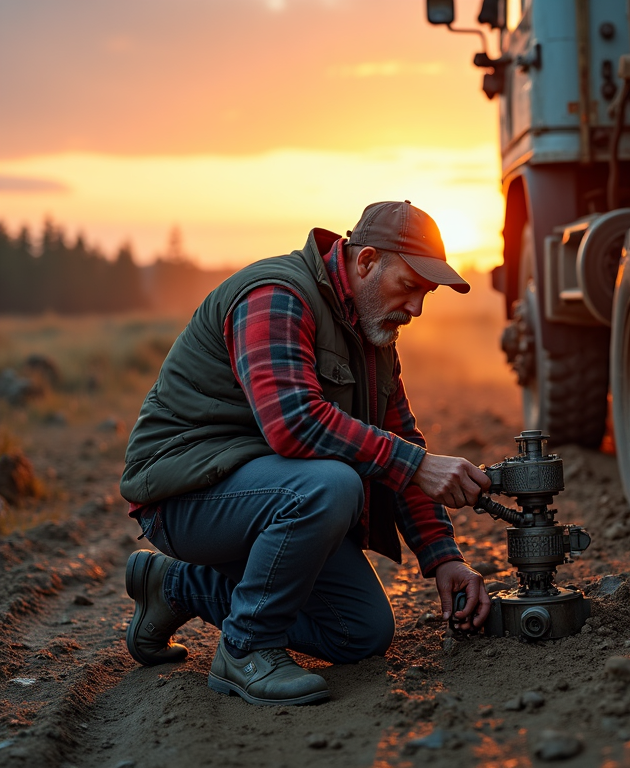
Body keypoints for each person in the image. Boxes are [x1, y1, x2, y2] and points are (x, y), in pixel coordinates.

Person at [119, 201, 492, 706]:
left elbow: (404, 443)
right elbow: (293, 425)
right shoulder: (276, 296)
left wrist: (444, 558)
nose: (418, 308)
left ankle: (176, 588)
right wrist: (416, 466)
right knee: (331, 485)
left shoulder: (372, 334)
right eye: (410, 286)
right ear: (365, 263)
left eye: (426, 294)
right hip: (185, 497)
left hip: (262, 494)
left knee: (360, 632)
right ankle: (245, 648)